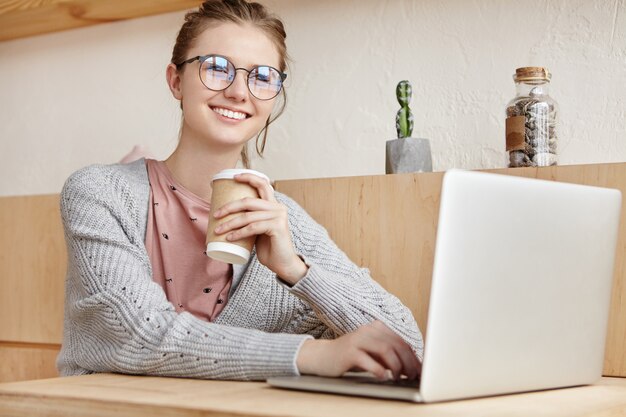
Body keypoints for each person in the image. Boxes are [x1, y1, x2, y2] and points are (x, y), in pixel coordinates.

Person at [57, 0, 424, 382]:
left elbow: (407, 344)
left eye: (262, 76)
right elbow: (138, 333)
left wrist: (296, 270)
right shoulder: (99, 193)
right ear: (176, 80)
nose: (238, 91)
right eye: (216, 68)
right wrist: (311, 354)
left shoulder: (281, 221)